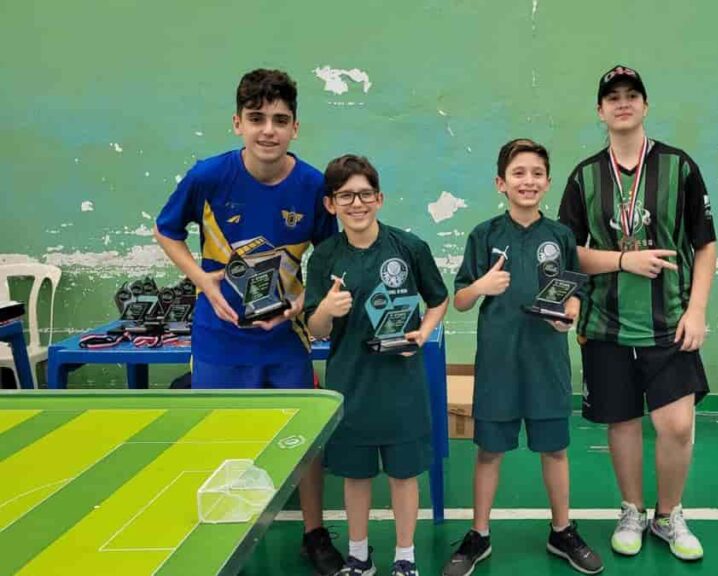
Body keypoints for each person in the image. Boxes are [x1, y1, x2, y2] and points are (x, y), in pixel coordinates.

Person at [153, 68, 343, 574]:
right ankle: (224, 532)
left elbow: (330, 255)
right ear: (237, 123)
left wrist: (304, 299)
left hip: (286, 337)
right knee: (223, 434)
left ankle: (314, 533)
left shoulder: (313, 186)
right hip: (220, 335)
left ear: (295, 127)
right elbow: (166, 230)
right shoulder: (208, 177)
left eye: (280, 120)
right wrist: (203, 279)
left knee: (303, 436)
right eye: (257, 118)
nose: (268, 130)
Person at [557, 65, 718, 562]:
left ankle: (668, 515)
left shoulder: (679, 167)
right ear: (600, 111)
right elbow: (567, 252)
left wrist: (697, 309)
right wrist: (623, 261)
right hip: (606, 323)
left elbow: (705, 244)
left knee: (676, 425)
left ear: (645, 106)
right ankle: (632, 510)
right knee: (622, 422)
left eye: (632, 95)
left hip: (669, 322)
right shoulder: (584, 176)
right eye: (613, 98)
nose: (623, 103)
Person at [443, 139, 604, 575]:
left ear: (547, 183)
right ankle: (479, 534)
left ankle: (562, 530)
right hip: (498, 365)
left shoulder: (561, 236)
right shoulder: (484, 235)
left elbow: (575, 293)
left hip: (546, 363)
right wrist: (481, 287)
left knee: (555, 450)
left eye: (536, 173)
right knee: (489, 452)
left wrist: (568, 316)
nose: (527, 181)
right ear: (501, 183)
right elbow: (460, 299)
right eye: (518, 173)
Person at [304, 154, 449, 576]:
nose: (357, 203)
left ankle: (405, 557)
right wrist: (327, 309)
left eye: (365, 194)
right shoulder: (324, 257)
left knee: (404, 476)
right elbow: (314, 328)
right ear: (331, 204)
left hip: (402, 384)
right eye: (346, 196)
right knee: (356, 475)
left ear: (379, 198)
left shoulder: (409, 247)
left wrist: (422, 333)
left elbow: (438, 299)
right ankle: (359, 556)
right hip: (351, 384)